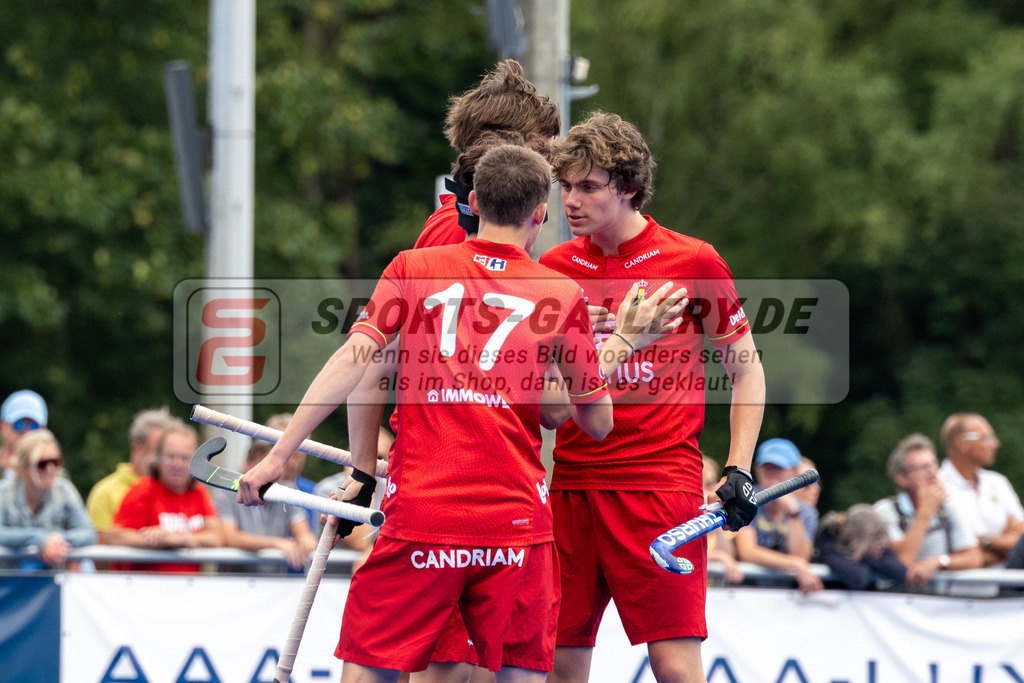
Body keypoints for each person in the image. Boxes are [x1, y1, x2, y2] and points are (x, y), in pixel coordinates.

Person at [237, 145, 685, 682]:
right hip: (514, 524)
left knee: (370, 674)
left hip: (425, 514)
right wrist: (628, 343)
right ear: (540, 213)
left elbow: (354, 361)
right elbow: (596, 423)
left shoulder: (414, 266)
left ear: (471, 201)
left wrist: (277, 457)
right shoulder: (560, 292)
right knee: (515, 675)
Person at [538, 111, 766, 683]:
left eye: (588, 187)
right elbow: (540, 400)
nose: (572, 201)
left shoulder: (693, 260)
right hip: (571, 485)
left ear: (630, 187)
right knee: (560, 668)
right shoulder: (551, 268)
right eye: (564, 186)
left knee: (675, 670)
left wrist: (738, 467)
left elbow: (747, 371)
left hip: (659, 489)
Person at [416, 58, 561, 249]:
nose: (549, 168)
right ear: (500, 148)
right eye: (541, 155)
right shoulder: (457, 230)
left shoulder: (471, 220)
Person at [105, 421, 223, 573]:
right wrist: (158, 540)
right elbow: (114, 537)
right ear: (158, 458)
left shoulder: (198, 491)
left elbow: (217, 537)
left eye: (185, 458)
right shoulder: (144, 488)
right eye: (171, 456)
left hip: (188, 587)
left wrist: (183, 538)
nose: (177, 464)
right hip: (142, 588)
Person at [873, 433, 983, 582]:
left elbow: (974, 559)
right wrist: (924, 512)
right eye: (922, 467)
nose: (932, 473)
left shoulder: (948, 508)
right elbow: (903, 562)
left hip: (940, 600)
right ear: (901, 478)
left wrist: (939, 561)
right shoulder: (885, 511)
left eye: (933, 464)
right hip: (897, 598)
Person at [733, 439, 823, 594]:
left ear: (795, 472)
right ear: (757, 471)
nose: (773, 475)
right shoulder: (745, 500)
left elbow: (801, 556)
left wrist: (792, 513)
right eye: (768, 468)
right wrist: (794, 564)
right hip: (745, 593)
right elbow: (747, 552)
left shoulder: (806, 511)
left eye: (779, 469)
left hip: (788, 595)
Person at [214, 440, 318, 571]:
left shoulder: (286, 490)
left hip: (274, 584)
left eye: (275, 468)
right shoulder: (226, 491)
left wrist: (305, 542)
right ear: (248, 464)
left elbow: (305, 535)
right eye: (264, 468)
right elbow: (228, 537)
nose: (269, 475)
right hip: (234, 583)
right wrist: (278, 544)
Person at [937, 413, 1024, 567]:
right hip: (959, 588)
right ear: (962, 443)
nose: (996, 443)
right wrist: (1004, 547)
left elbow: (1021, 539)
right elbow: (950, 552)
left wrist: (985, 542)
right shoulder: (938, 488)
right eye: (987, 437)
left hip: (1009, 584)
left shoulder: (998, 482)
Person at [0, 429, 96, 568]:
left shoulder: (64, 490)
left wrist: (57, 540)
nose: (50, 468)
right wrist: (38, 539)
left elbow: (88, 533)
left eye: (55, 462)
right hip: (9, 581)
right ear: (24, 467)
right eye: (42, 464)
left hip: (52, 579)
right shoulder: (4, 492)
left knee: (85, 565)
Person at [86, 407, 174, 543]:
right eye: (158, 451)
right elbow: (101, 556)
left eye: (168, 452)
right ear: (136, 448)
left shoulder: (177, 488)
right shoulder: (105, 492)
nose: (164, 459)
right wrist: (157, 541)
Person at [815, 504, 909, 590]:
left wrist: (865, 559)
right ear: (855, 540)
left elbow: (901, 572)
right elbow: (859, 578)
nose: (881, 545)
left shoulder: (875, 551)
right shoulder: (831, 547)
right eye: (874, 540)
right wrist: (867, 559)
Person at [702, 456, 744, 585]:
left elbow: (729, 554)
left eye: (714, 484)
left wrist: (716, 518)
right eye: (708, 485)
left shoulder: (717, 517)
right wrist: (717, 557)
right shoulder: (679, 518)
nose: (714, 491)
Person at [1, 389, 48, 481]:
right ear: (2, 428)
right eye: (19, 425)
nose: (27, 432)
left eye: (34, 426)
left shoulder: (51, 472)